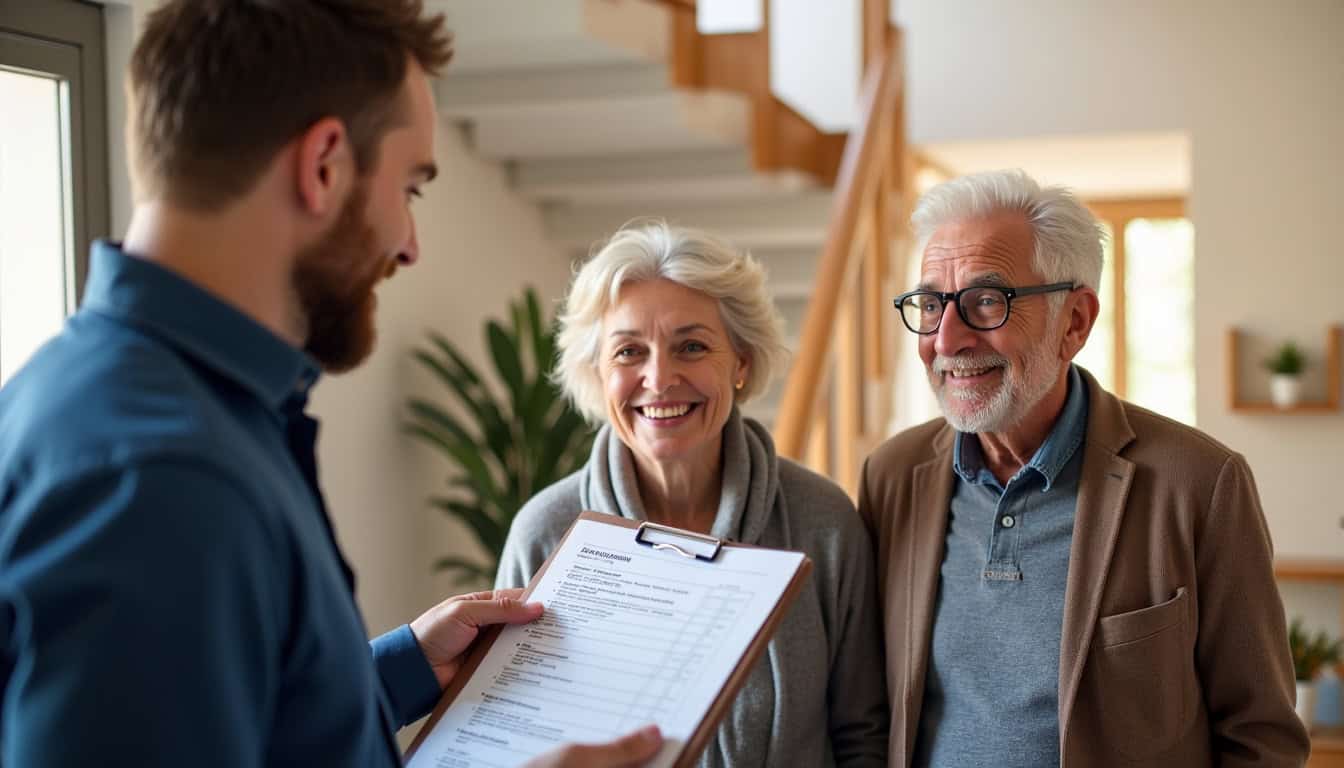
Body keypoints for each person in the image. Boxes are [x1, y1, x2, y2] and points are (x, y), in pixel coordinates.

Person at [0, 1, 660, 766]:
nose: (409, 247)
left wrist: (392, 669)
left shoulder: (97, 395)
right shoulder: (165, 483)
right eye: (410, 189)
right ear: (323, 166)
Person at [858, 169, 1311, 767]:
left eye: (986, 301)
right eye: (931, 304)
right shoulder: (892, 477)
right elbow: (865, 716)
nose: (946, 339)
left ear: (1074, 321)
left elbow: (1263, 738)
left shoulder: (1199, 484)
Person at [496, 220, 890, 767]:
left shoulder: (822, 522)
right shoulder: (545, 533)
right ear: (597, 372)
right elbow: (510, 737)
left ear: (742, 362)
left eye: (692, 346)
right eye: (629, 352)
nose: (659, 379)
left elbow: (863, 735)